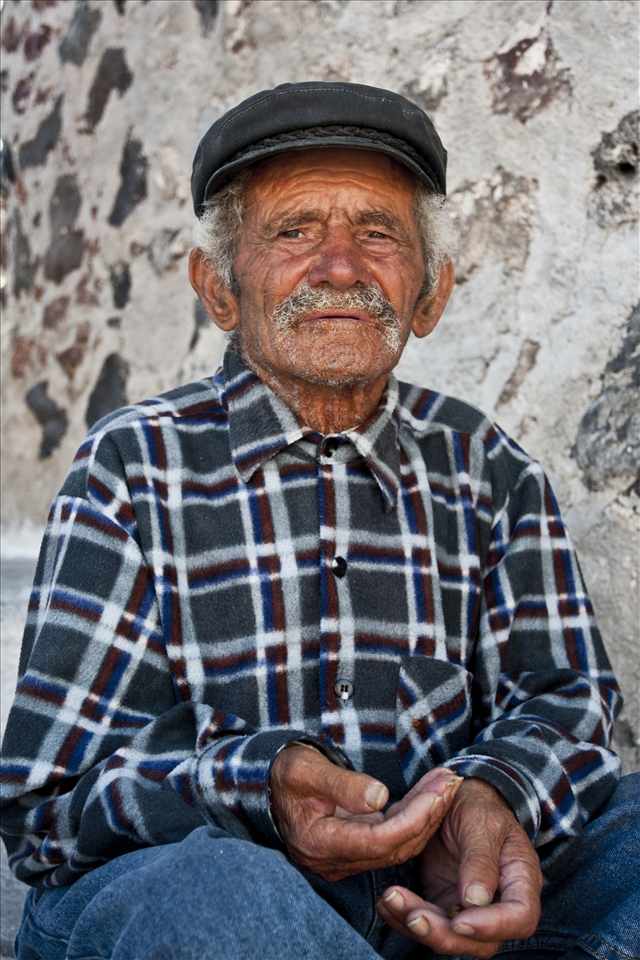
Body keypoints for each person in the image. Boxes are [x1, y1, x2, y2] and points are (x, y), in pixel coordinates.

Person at [1, 82, 638, 960]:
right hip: (194, 908)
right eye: (294, 231)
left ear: (431, 293)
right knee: (222, 896)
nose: (340, 266)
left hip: (428, 903)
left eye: (378, 233)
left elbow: (566, 700)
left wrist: (490, 796)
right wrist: (252, 785)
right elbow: (45, 813)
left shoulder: (486, 466)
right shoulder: (132, 469)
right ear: (218, 288)